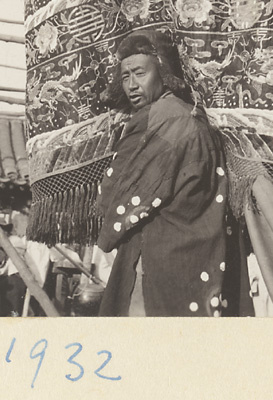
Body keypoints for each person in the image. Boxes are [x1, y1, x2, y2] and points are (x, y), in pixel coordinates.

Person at [96, 30, 253, 317]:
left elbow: (120, 196)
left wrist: (108, 213)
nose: (131, 85)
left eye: (140, 73)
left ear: (163, 72)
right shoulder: (187, 115)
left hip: (164, 263)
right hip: (197, 257)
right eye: (125, 76)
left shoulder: (168, 121)